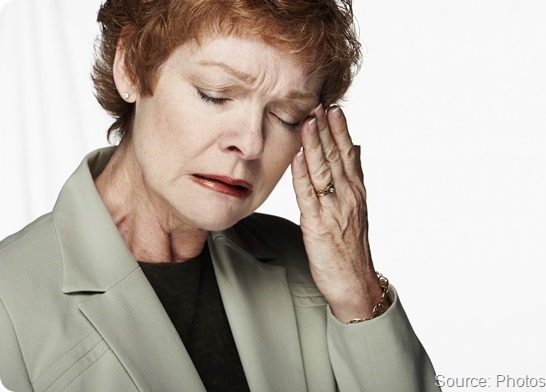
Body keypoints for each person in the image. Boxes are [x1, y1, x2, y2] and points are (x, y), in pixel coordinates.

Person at [0, 0, 441, 391]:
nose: (250, 143)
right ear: (131, 68)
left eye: (287, 116)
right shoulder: (10, 298)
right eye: (216, 95)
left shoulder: (308, 267)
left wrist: (357, 287)